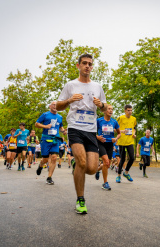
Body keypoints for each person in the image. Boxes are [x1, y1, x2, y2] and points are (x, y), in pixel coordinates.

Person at [56, 53, 107, 214]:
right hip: (75, 128)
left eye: (90, 64)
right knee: (82, 162)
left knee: (91, 168)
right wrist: (69, 100)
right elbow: (58, 106)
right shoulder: (70, 85)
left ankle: (75, 164)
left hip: (91, 130)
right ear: (78, 66)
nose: (87, 66)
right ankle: (80, 199)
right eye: (84, 63)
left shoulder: (97, 87)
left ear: (92, 67)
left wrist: (101, 105)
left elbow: (106, 108)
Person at [35, 101, 67, 185]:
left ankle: (49, 177)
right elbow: (36, 124)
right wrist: (45, 126)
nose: (55, 106)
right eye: (53, 104)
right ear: (49, 106)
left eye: (57, 105)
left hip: (55, 140)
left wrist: (63, 131)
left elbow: (60, 127)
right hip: (46, 139)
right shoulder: (45, 115)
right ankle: (41, 165)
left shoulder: (60, 117)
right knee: (45, 159)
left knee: (53, 158)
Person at [95, 105, 121, 190]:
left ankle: (98, 170)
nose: (111, 111)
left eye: (112, 109)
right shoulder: (99, 121)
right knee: (106, 161)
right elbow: (90, 131)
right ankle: (105, 183)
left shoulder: (114, 122)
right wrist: (97, 137)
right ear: (105, 111)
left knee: (107, 164)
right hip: (101, 143)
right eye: (109, 109)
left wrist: (116, 138)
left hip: (110, 144)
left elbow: (119, 133)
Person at [116, 104, 137, 183]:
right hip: (121, 142)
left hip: (130, 141)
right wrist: (122, 131)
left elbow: (134, 128)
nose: (130, 112)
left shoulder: (134, 119)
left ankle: (126, 172)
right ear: (125, 111)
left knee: (132, 158)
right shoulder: (120, 118)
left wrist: (134, 134)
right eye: (128, 110)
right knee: (122, 159)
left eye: (131, 110)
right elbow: (115, 129)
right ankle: (118, 176)